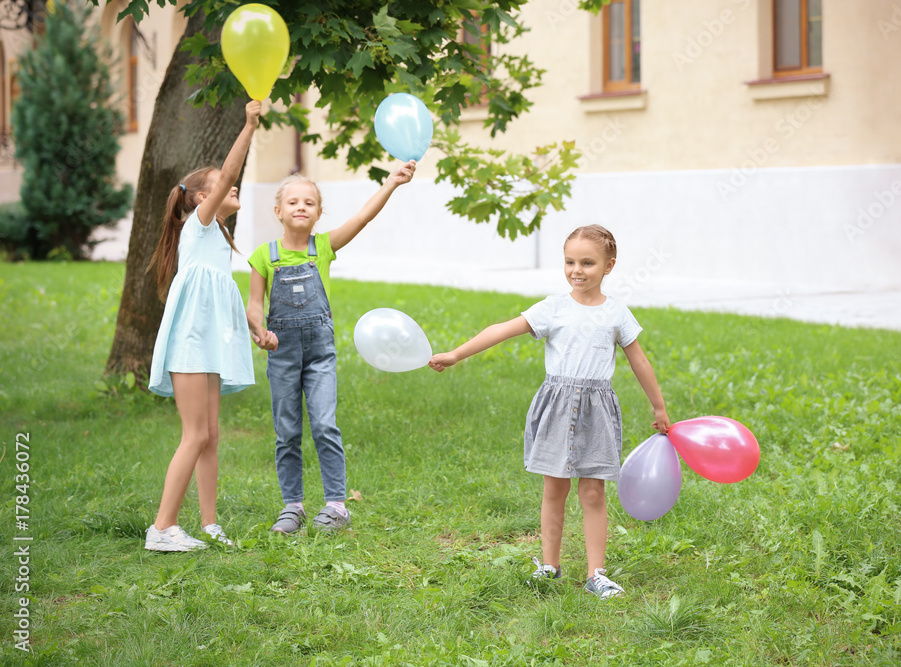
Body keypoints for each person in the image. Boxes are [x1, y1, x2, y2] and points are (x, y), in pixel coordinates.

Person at [429, 224, 671, 599]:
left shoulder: (617, 313)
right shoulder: (553, 307)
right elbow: (503, 329)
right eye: (570, 261)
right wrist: (457, 354)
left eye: (588, 263)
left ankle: (596, 574)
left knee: (593, 492)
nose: (577, 270)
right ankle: (550, 567)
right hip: (557, 407)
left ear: (609, 265)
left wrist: (659, 406)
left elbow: (639, 361)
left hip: (597, 409)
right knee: (554, 489)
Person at [246, 162, 416, 534]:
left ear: (319, 213)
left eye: (309, 202)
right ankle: (293, 506)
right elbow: (254, 304)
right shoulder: (264, 256)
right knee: (287, 430)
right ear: (278, 211)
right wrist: (259, 329)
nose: (301, 207)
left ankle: (337, 505)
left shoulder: (322, 247)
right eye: (293, 202)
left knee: (324, 424)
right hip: (282, 356)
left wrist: (392, 183)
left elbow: (362, 218)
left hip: (319, 356)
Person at [144, 100, 274, 552]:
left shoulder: (218, 236)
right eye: (223, 185)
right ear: (203, 198)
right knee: (195, 434)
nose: (232, 186)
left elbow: (224, 298)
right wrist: (248, 126)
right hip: (191, 344)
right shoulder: (198, 225)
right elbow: (231, 165)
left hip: (208, 344)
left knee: (211, 434)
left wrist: (256, 329)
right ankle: (162, 529)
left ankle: (210, 522)